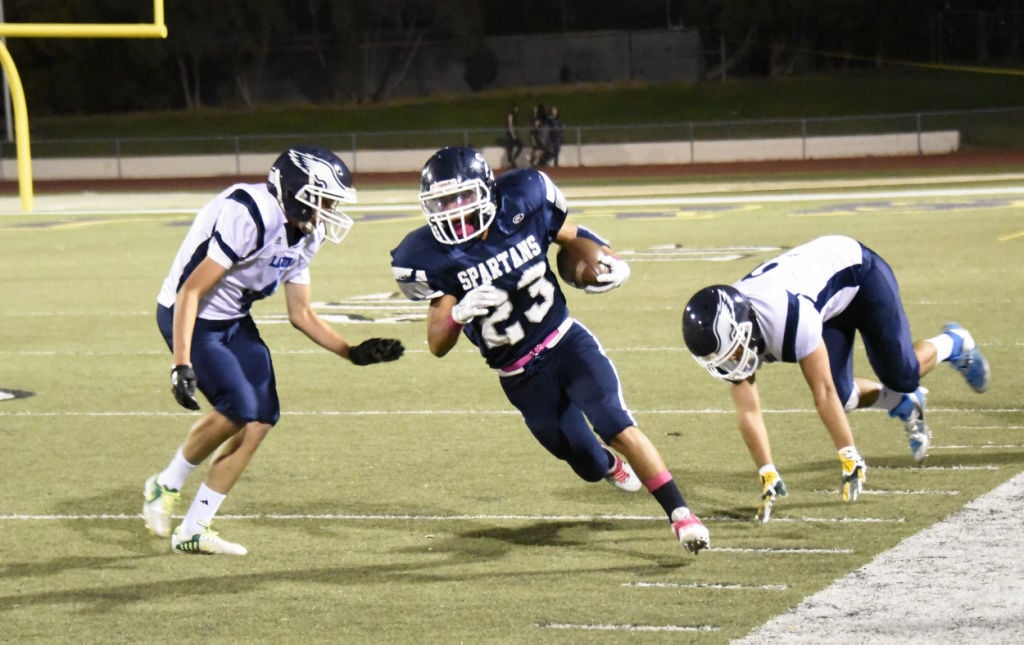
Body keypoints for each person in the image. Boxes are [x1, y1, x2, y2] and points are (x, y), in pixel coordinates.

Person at [390, 146, 709, 554]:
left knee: (613, 419)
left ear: (486, 191)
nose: (452, 210)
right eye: (442, 202)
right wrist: (459, 314)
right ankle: (608, 465)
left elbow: (572, 236)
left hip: (565, 341)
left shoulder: (523, 199)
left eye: (461, 197)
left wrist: (607, 259)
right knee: (586, 463)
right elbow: (437, 343)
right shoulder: (428, 255)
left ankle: (681, 514)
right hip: (520, 376)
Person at [143, 145, 405, 555]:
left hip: (232, 317)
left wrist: (351, 352)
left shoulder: (306, 232)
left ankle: (194, 528)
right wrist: (181, 363)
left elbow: (300, 313)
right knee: (237, 406)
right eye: (325, 199)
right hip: (189, 314)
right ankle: (166, 484)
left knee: (262, 417)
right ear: (298, 191)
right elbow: (190, 290)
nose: (330, 209)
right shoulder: (249, 215)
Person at [680, 235, 990, 523]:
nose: (733, 362)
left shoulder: (785, 317)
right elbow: (748, 410)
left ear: (743, 328)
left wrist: (849, 454)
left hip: (861, 277)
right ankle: (905, 404)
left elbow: (822, 392)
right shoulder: (736, 328)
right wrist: (767, 471)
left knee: (902, 374)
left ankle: (954, 342)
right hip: (825, 304)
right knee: (846, 397)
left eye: (733, 352)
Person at [503, 104, 523, 169]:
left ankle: (512, 161)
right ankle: (511, 163)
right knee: (510, 149)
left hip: (513, 134)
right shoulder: (511, 115)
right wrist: (513, 134)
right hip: (510, 135)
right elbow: (510, 125)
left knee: (519, 146)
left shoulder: (515, 115)